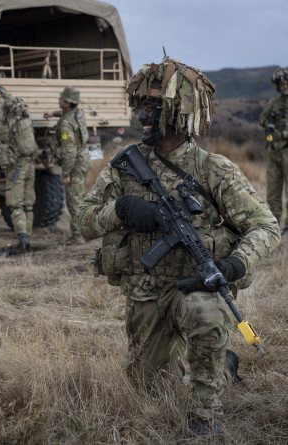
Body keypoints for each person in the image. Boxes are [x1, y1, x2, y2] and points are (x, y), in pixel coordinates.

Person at [77, 56, 280, 436]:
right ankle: (221, 363)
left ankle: (206, 416)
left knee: (208, 317)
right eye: (139, 106)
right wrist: (120, 209)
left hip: (194, 287)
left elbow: (266, 227)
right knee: (149, 393)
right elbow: (82, 221)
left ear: (179, 111)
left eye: (151, 107)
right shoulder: (125, 166)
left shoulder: (213, 169)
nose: (142, 116)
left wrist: (236, 264)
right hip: (144, 293)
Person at [0, 76, 37, 254]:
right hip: (30, 166)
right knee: (28, 204)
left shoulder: (5, 129)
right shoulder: (26, 120)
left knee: (15, 204)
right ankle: (28, 237)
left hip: (17, 169)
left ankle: (22, 239)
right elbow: (12, 100)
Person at [44, 86, 90, 245]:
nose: (59, 100)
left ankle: (78, 236)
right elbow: (68, 115)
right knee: (80, 197)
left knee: (74, 200)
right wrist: (54, 113)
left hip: (75, 162)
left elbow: (69, 152)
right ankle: (86, 230)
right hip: (84, 159)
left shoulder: (65, 126)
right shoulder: (79, 112)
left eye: (61, 99)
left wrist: (65, 175)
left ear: (68, 103)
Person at [258, 66, 288, 234]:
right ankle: (275, 223)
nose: (285, 87)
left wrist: (282, 134)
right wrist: (269, 126)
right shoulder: (274, 103)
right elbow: (262, 118)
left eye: (287, 84)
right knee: (273, 190)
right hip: (275, 151)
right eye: (282, 84)